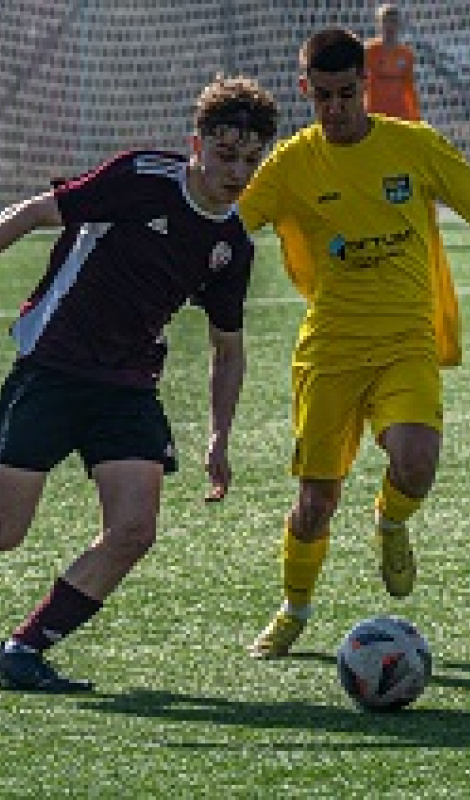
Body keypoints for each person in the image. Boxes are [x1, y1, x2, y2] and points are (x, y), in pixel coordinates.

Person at [237, 27, 470, 659]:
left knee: (417, 462)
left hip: (406, 340)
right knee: (316, 503)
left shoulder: (415, 147)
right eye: (323, 96)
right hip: (330, 351)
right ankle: (294, 607)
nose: (337, 108)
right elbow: (226, 225)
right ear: (305, 91)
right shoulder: (291, 164)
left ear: (365, 86)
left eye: (347, 93)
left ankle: (391, 519)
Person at [0, 76, 277, 691]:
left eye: (251, 162)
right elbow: (36, 213)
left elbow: (227, 350)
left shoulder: (231, 245)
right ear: (196, 144)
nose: (236, 172)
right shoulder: (143, 177)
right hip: (53, 365)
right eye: (225, 155)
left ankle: (22, 649)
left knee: (132, 530)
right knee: (6, 531)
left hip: (126, 386)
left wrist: (219, 438)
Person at [364, 3, 422, 121]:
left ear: (399, 25)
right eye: (386, 21)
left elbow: (409, 87)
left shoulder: (406, 54)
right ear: (379, 24)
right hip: (374, 114)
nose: (390, 26)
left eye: (394, 22)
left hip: (399, 115)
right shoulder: (369, 50)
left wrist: (415, 116)